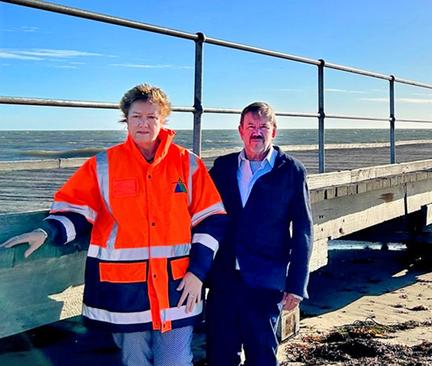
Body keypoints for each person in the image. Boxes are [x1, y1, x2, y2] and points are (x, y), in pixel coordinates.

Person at [1, 84, 227, 366]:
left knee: (175, 360)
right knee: (134, 361)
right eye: (137, 116)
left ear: (163, 119)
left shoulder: (187, 164)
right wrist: (45, 232)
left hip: (178, 286)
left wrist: (197, 272)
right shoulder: (103, 165)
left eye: (151, 117)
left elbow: (212, 219)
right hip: (125, 291)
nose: (144, 123)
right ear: (126, 119)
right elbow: (77, 210)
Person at [206, 101, 313, 366]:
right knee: (219, 356)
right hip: (224, 280)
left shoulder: (291, 171)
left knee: (262, 356)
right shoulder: (223, 167)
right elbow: (201, 210)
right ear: (240, 130)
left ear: (274, 131)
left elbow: (303, 230)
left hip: (265, 282)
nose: (257, 132)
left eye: (263, 127)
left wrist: (296, 285)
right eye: (251, 126)